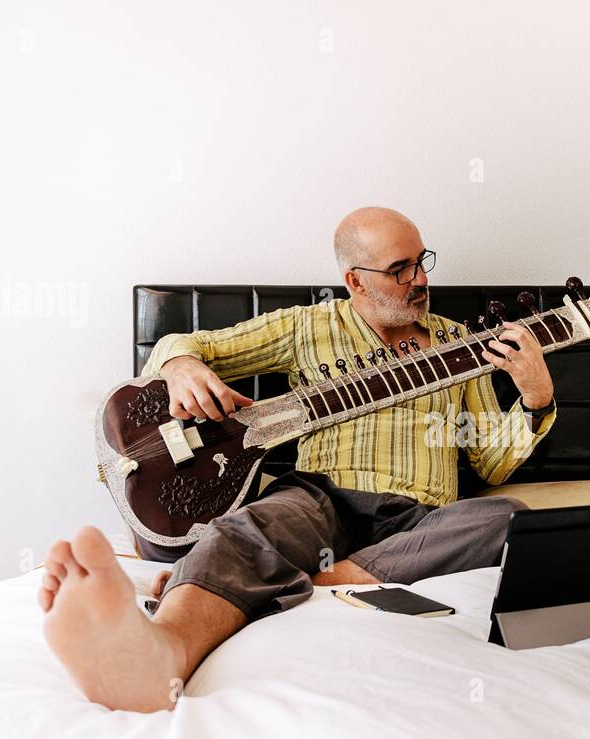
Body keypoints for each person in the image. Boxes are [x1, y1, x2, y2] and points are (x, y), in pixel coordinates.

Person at [39, 207, 558, 712]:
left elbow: (489, 464)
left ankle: (314, 577)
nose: (420, 278)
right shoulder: (308, 328)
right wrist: (179, 365)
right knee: (244, 533)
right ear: (355, 281)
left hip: (418, 517)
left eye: (423, 261)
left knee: (506, 516)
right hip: (320, 499)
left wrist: (535, 400)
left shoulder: (460, 344)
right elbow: (189, 341)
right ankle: (157, 653)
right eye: (401, 270)